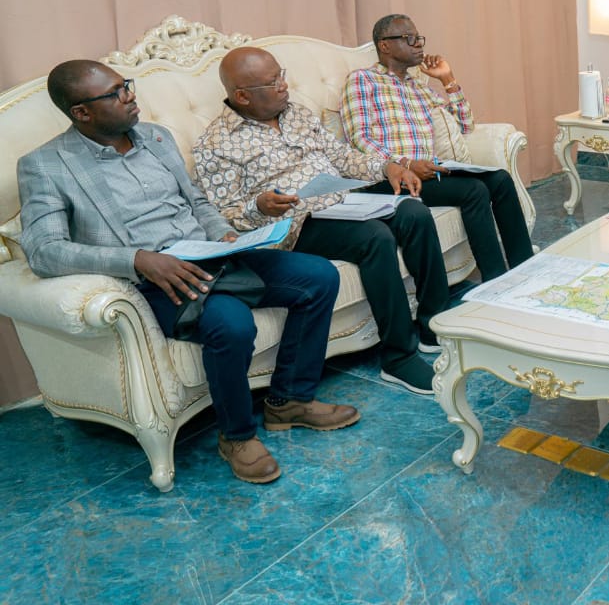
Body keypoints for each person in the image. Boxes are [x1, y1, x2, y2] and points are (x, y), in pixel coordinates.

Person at [18, 60, 360, 485]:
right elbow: (44, 251)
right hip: (159, 276)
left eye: (127, 85)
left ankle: (290, 400)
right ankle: (237, 437)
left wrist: (224, 235)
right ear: (81, 112)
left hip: (213, 256)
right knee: (231, 324)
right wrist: (137, 259)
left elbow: (197, 202)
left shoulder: (156, 138)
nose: (130, 96)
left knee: (318, 276)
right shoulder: (47, 165)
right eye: (116, 93)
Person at [193, 47, 450, 397]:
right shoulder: (215, 144)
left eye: (281, 75)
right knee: (374, 237)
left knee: (413, 211)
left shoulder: (296, 112)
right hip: (295, 224)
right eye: (273, 82)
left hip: (343, 201)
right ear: (242, 96)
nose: (284, 85)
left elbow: (340, 157)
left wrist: (387, 167)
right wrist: (260, 207)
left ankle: (434, 326)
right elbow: (225, 215)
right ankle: (399, 357)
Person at [339, 14, 534, 282]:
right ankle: (496, 281)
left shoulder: (418, 87)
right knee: (474, 190)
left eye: (419, 38)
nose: (419, 44)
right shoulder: (362, 80)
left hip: (429, 172)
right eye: (409, 39)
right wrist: (406, 164)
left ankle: (526, 270)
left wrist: (447, 79)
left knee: (499, 179)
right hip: (390, 178)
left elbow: (465, 125)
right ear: (385, 45)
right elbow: (360, 140)